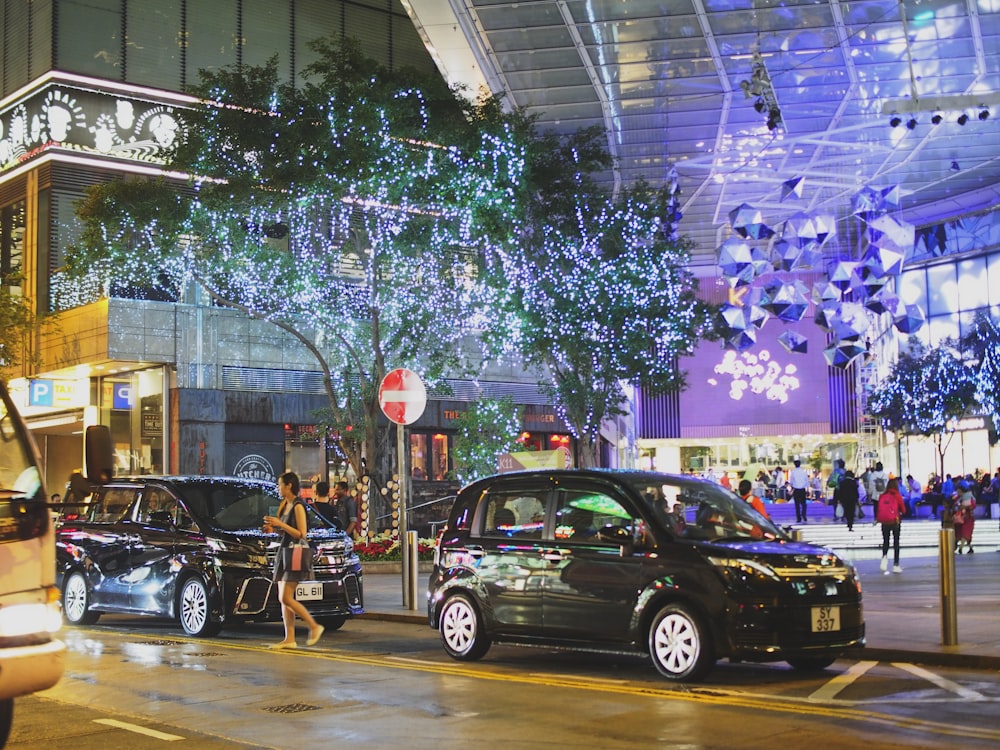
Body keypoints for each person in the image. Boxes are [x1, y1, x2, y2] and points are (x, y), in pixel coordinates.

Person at [263, 471, 324, 649]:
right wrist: (273, 529)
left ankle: (314, 626)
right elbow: (287, 532)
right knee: (284, 599)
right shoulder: (285, 505)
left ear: (289, 485)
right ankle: (289, 638)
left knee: (285, 597)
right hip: (285, 552)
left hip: (294, 554)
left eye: (280, 484)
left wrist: (280, 524)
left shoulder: (298, 506)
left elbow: (301, 534)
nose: (278, 488)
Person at [876, 477, 906, 574]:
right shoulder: (897, 495)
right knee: (896, 543)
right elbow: (903, 509)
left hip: (884, 522)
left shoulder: (882, 495)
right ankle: (896, 565)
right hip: (895, 522)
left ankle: (884, 559)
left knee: (886, 541)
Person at [953, 479, 977, 554]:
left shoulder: (969, 498)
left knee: (965, 533)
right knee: (965, 534)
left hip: (968, 518)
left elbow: (973, 505)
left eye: (959, 492)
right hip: (961, 518)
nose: (958, 493)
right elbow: (954, 506)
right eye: (958, 491)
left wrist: (965, 507)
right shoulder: (958, 499)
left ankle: (961, 548)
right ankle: (970, 548)